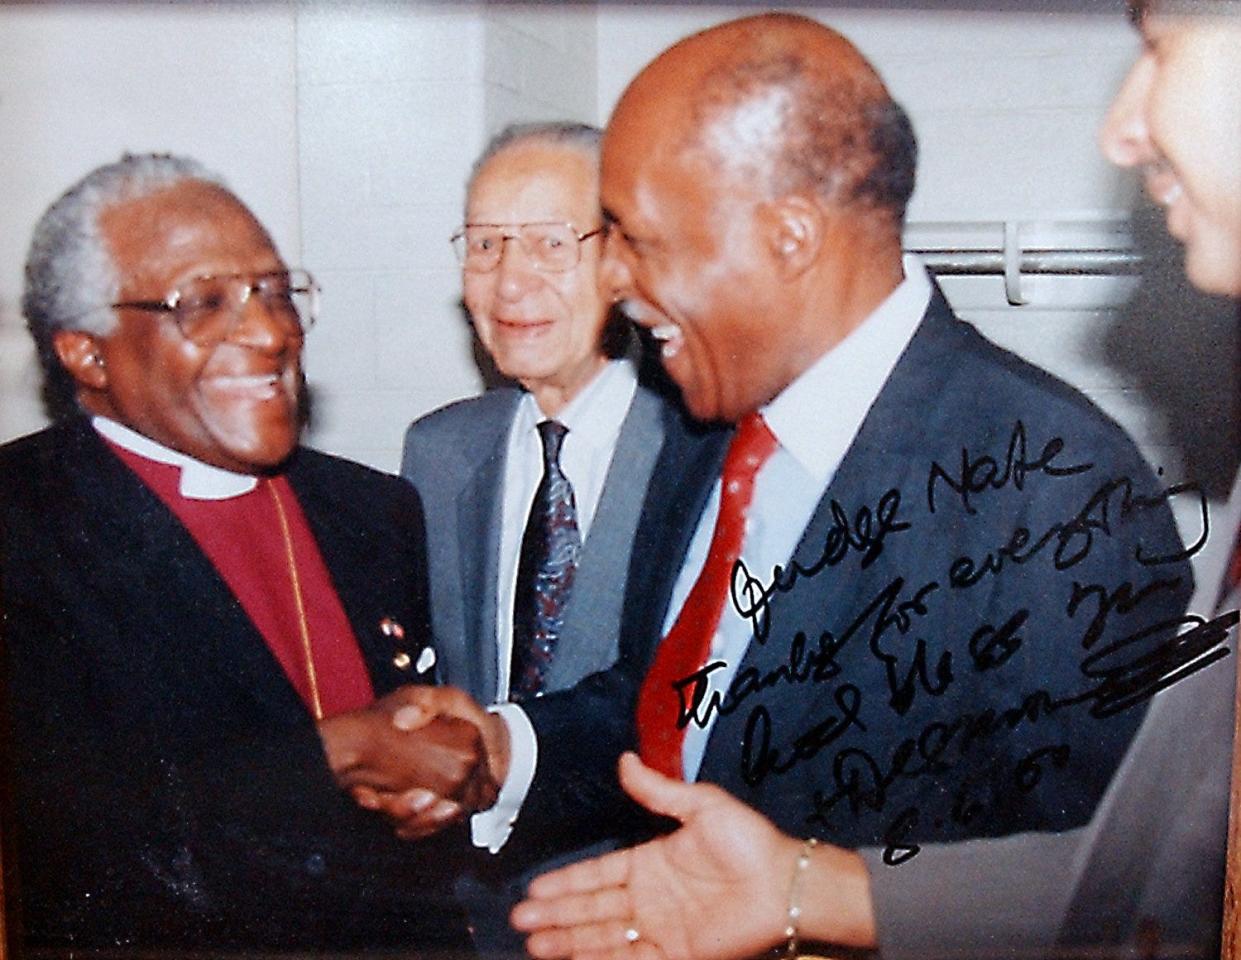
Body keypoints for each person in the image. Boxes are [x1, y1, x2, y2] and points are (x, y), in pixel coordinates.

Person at [494, 10, 1234, 957]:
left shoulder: (1053, 485)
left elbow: (1110, 890)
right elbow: (675, 713)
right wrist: (500, 751)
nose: (612, 280)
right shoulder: (703, 418)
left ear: (789, 236)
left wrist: (813, 901)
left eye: (637, 237)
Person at [0, 153, 497, 953]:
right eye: (205, 303)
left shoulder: (373, 509)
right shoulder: (21, 527)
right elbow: (71, 851)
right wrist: (338, 754)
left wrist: (437, 778)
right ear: (86, 352)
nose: (269, 333)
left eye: (276, 292)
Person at [399, 122, 691, 953]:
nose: (509, 281)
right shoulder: (439, 450)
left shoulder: (707, 448)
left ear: (622, 259)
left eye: (549, 243)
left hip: (657, 912)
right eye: (484, 245)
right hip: (477, 916)